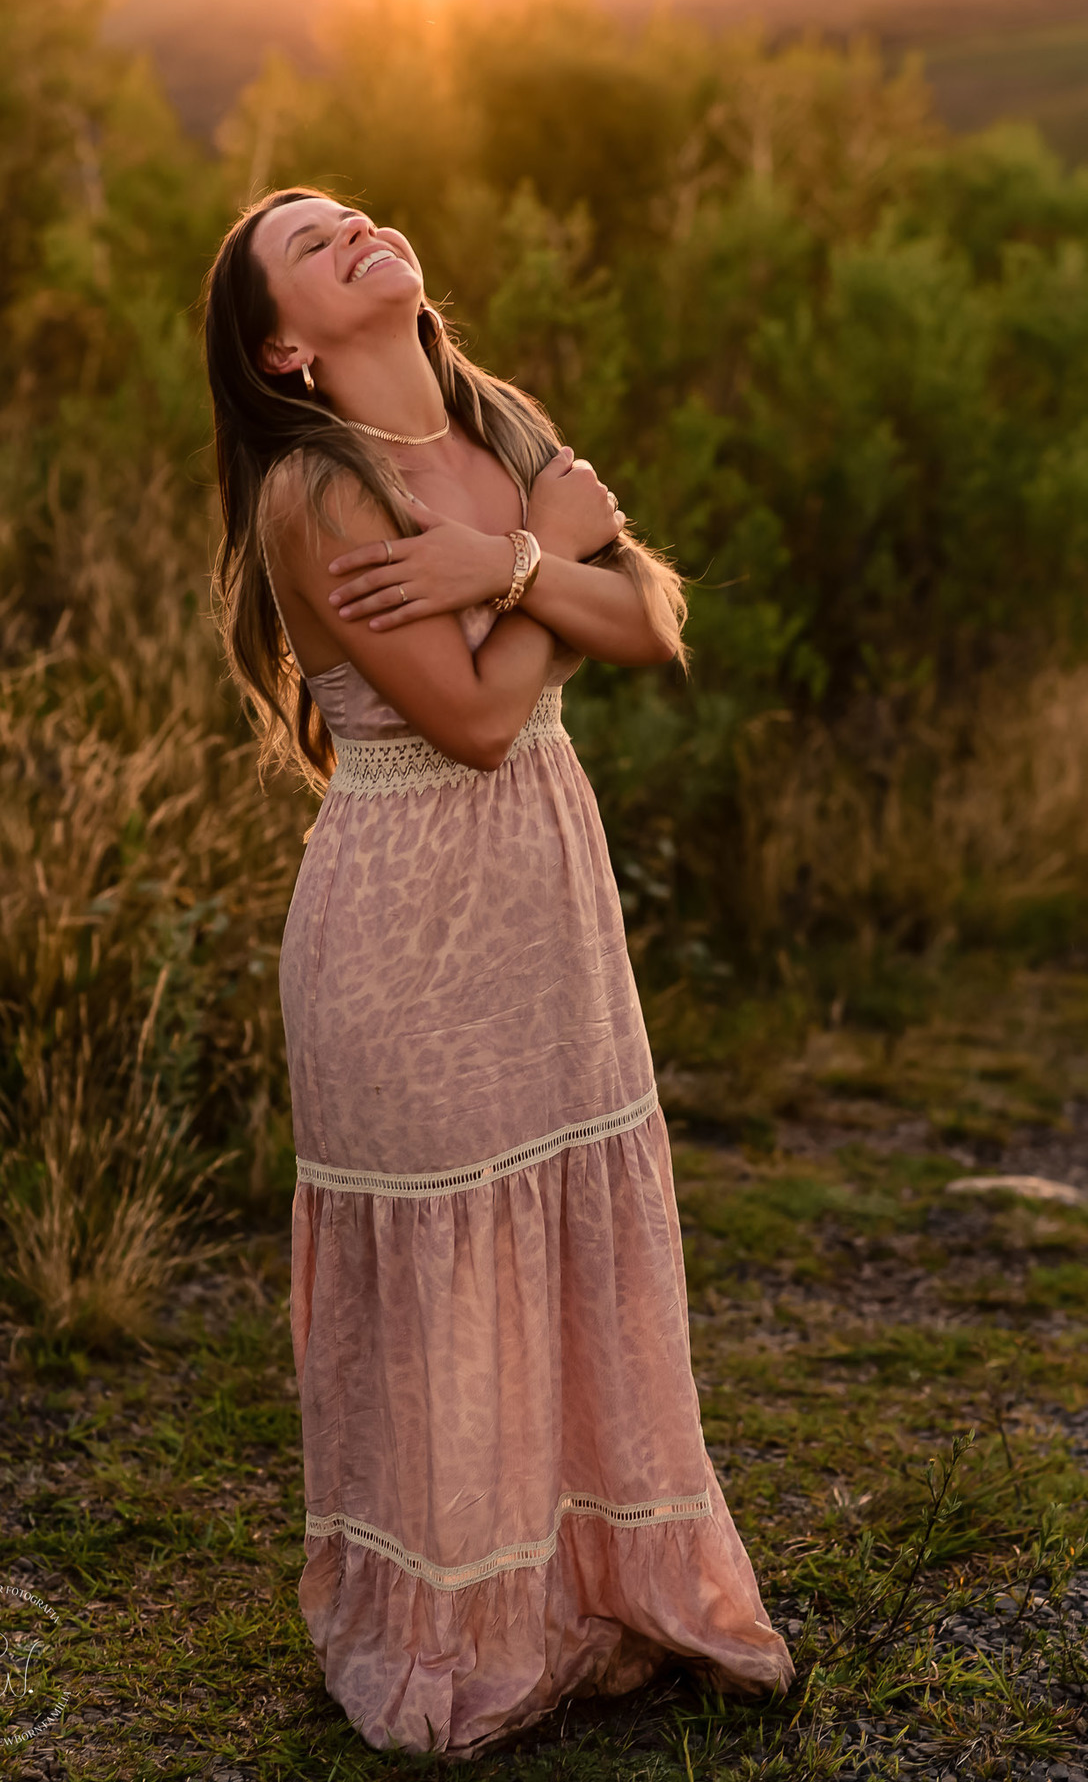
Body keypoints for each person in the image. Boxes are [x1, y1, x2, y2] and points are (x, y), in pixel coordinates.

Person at [202, 186, 795, 1760]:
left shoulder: (499, 417)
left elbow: (651, 618)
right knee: (452, 1261)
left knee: (575, 1225)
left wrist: (509, 566)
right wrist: (549, 561)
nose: (353, 228)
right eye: (309, 242)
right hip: (401, 923)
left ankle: (598, 1588)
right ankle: (454, 1628)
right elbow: (470, 721)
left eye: (351, 212)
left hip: (545, 895)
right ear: (284, 346)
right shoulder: (316, 494)